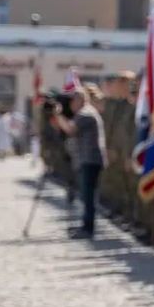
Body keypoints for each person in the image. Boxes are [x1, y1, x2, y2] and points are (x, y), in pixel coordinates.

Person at [55, 87, 106, 239]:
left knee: (88, 196)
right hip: (88, 159)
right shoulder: (85, 113)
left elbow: (70, 129)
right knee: (86, 195)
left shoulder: (86, 113)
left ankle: (88, 228)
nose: (70, 105)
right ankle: (86, 225)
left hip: (90, 160)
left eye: (72, 101)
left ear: (79, 100)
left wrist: (58, 115)